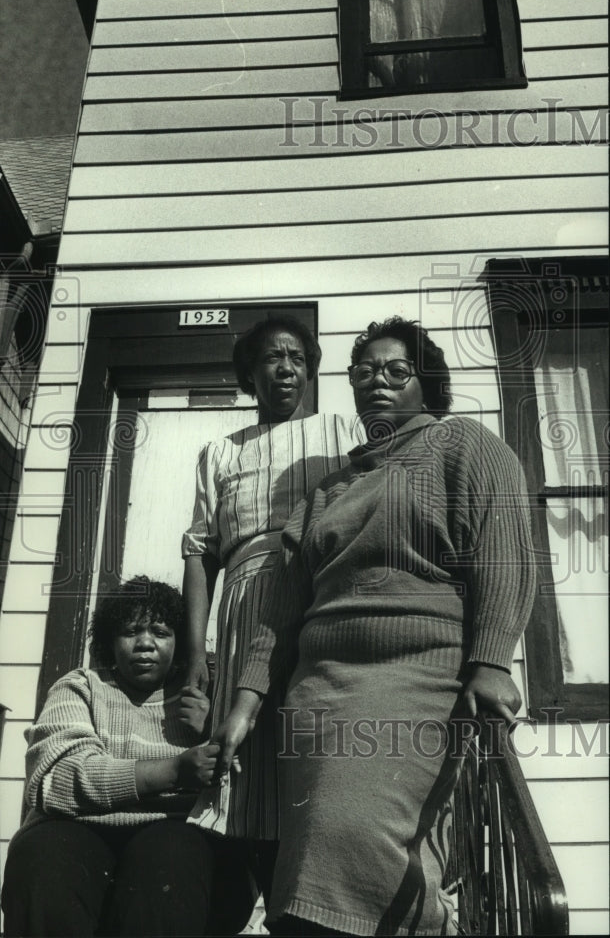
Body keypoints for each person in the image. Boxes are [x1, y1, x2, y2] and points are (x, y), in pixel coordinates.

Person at [214, 317, 537, 936]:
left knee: (359, 839)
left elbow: (503, 551)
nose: (377, 382)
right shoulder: (327, 489)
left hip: (416, 678)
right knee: (310, 860)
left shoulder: (464, 444)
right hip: (317, 691)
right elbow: (280, 613)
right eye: (363, 371)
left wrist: (493, 661)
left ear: (427, 384)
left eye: (396, 370)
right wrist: (246, 704)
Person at [181, 314, 363, 894]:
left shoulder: (341, 430)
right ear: (249, 374)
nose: (285, 369)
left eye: (297, 359)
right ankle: (257, 904)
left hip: (320, 595)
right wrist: (194, 661)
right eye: (270, 359)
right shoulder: (219, 452)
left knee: (315, 743)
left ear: (310, 370)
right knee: (247, 762)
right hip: (246, 606)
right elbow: (199, 554)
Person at [1, 577, 255, 938]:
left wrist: (212, 729)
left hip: (175, 838)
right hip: (78, 831)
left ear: (182, 642)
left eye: (161, 632)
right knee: (43, 857)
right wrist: (174, 770)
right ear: (109, 639)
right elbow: (55, 781)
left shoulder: (208, 696)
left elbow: (249, 784)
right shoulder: (81, 687)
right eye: (131, 631)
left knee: (171, 856)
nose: (145, 644)